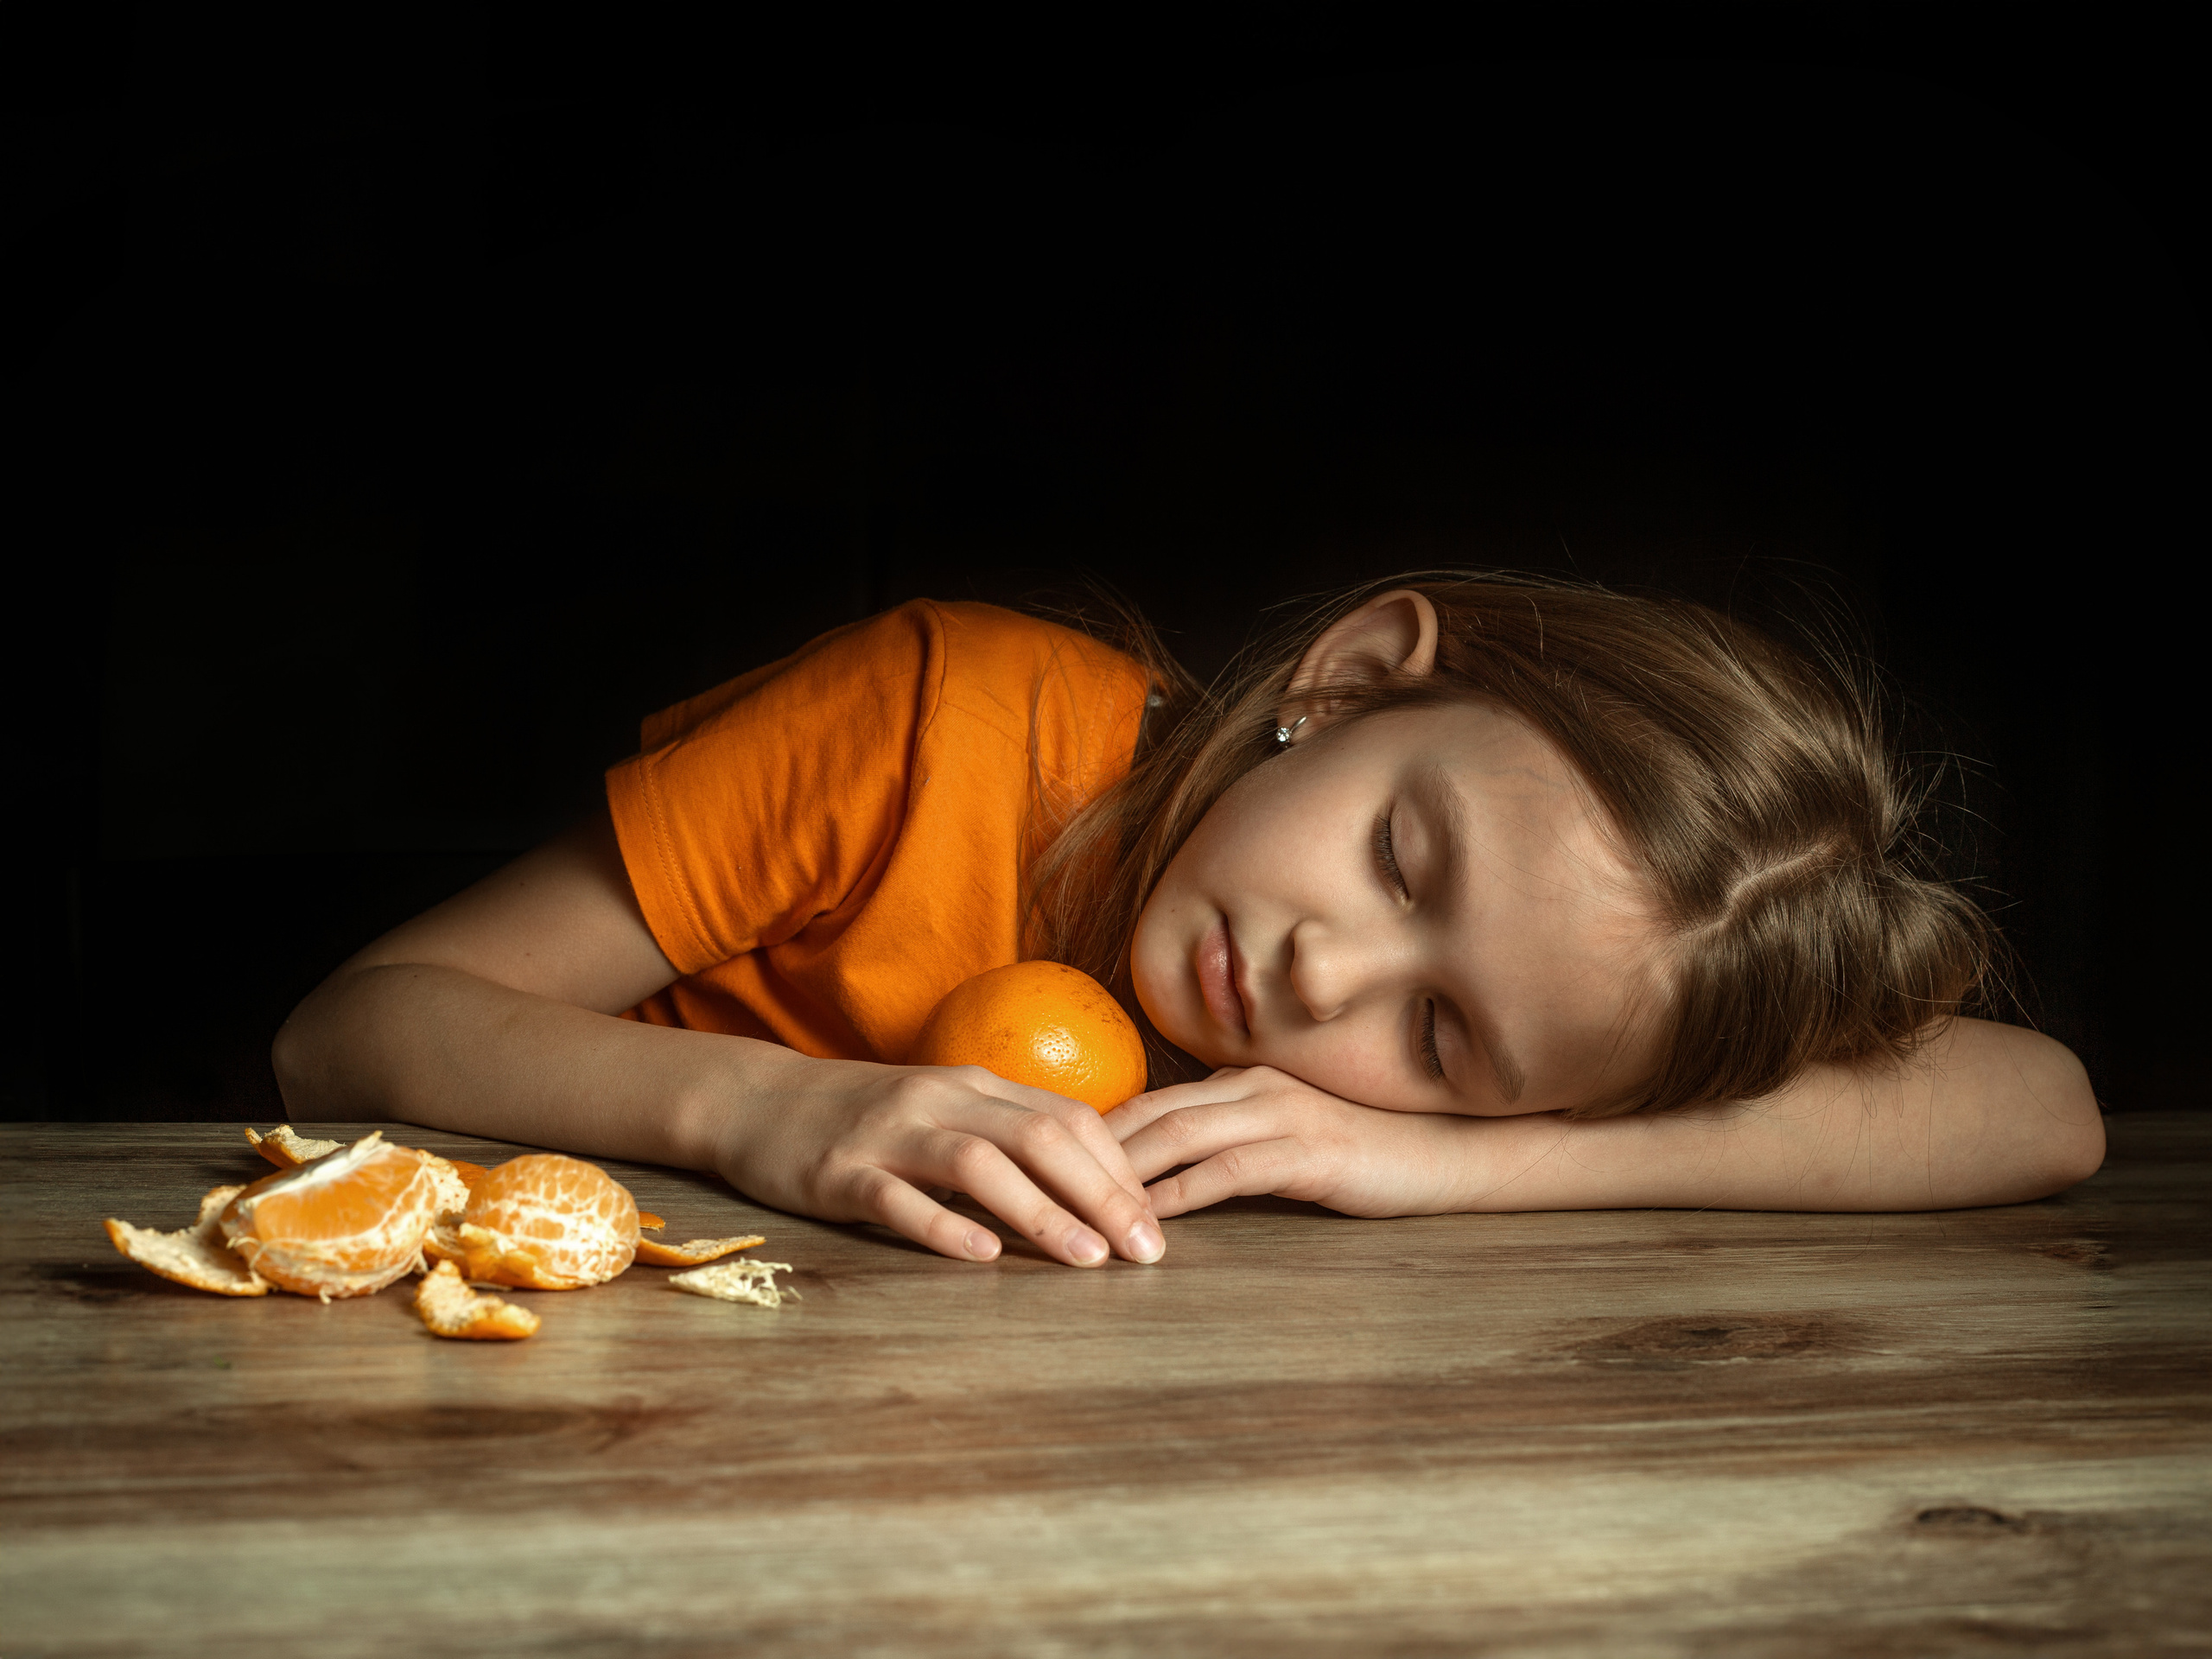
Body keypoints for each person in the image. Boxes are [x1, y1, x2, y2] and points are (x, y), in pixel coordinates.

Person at [273, 576, 2106, 1269]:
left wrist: (1429, 1159)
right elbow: (353, 1027)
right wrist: (787, 1111)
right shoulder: (938, 720)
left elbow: (2037, 1107)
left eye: (1442, 1037)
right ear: (1355, 675)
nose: (1331, 976)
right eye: (1401, 861)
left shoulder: (1389, 1094)